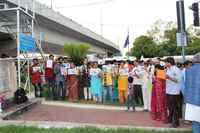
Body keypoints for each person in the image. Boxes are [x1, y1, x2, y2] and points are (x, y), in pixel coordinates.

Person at [184, 53, 200, 133]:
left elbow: (185, 86)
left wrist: (186, 99)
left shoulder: (188, 70)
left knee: (195, 123)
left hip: (191, 101)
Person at [165, 57, 182, 128]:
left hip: (174, 91)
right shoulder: (167, 69)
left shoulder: (176, 69)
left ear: (170, 62)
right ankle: (170, 119)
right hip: (168, 90)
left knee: (175, 107)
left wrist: (169, 78)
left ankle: (176, 123)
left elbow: (178, 80)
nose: (165, 63)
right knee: (170, 107)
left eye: (166, 62)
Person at [151, 58, 167, 123]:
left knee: (159, 102)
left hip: (159, 90)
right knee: (158, 102)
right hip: (157, 89)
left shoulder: (161, 73)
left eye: (156, 68)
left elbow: (160, 82)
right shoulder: (160, 73)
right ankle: (159, 116)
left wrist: (154, 79)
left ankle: (160, 116)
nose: (155, 69)